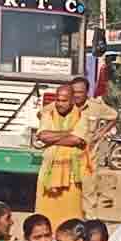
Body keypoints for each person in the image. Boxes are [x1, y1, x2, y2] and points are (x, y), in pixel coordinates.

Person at [34, 84, 87, 226]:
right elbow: (43, 136)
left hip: (71, 176)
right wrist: (68, 133)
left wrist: (53, 138)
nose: (59, 104)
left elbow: (77, 140)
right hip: (48, 174)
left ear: (72, 100)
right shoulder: (48, 114)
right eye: (57, 100)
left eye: (64, 101)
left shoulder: (82, 116)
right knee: (45, 218)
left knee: (71, 219)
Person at [71, 76, 119, 218]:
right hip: (68, 158)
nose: (76, 95)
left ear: (87, 92)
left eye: (80, 92)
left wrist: (101, 133)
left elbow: (114, 116)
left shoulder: (96, 107)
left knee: (89, 194)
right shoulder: (67, 105)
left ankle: (90, 223)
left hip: (88, 160)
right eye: (74, 92)